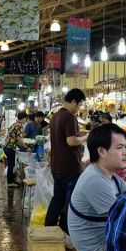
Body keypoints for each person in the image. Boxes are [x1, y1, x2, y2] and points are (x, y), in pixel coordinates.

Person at [68, 124, 126, 251]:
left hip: (109, 244)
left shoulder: (113, 178)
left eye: (125, 147)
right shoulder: (94, 179)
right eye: (120, 148)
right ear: (102, 151)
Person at [46, 88, 88, 233]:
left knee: (58, 198)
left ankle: (49, 227)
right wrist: (85, 138)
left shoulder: (55, 116)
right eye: (80, 105)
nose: (79, 108)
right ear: (74, 102)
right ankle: (66, 231)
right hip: (69, 166)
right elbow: (71, 141)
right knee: (70, 202)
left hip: (57, 166)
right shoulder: (70, 117)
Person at [3, 112, 28, 188]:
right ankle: (10, 182)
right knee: (11, 165)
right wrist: (26, 147)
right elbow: (18, 138)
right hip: (10, 147)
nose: (26, 120)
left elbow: (13, 137)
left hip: (7, 147)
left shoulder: (14, 124)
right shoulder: (19, 126)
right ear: (23, 118)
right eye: (25, 119)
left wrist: (20, 146)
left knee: (11, 164)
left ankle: (11, 180)